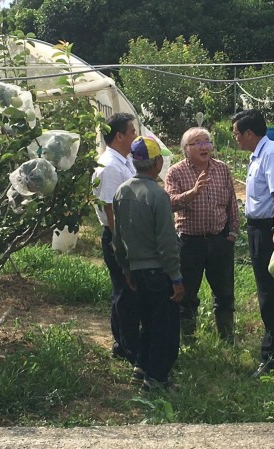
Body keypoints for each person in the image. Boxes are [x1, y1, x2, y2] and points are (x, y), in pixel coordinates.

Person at [112, 136, 183, 391]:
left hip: (137, 271)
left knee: (147, 321)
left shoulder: (122, 191)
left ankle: (141, 367)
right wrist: (175, 277)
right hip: (158, 271)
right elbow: (166, 242)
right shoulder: (158, 195)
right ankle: (157, 378)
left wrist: (126, 268)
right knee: (164, 325)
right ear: (157, 163)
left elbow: (117, 237)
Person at [231, 109, 274, 378]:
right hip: (263, 227)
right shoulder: (259, 154)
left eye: (236, 133)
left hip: (271, 228)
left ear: (249, 133)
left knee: (270, 292)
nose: (235, 138)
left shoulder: (270, 154)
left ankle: (273, 353)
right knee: (273, 288)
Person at [165, 127, 239, 344]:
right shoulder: (176, 172)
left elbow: (232, 204)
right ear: (186, 149)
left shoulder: (222, 169)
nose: (204, 146)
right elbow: (170, 202)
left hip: (219, 240)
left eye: (207, 141)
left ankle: (227, 339)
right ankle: (188, 341)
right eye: (197, 143)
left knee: (224, 293)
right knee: (187, 295)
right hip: (189, 242)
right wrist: (193, 192)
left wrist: (232, 233)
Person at [92, 112, 140, 367]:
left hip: (126, 234)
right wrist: (120, 244)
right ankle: (130, 348)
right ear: (119, 135)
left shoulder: (124, 161)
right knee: (126, 291)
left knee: (124, 290)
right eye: (132, 131)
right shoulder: (109, 166)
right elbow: (110, 210)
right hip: (118, 235)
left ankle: (122, 342)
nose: (135, 136)